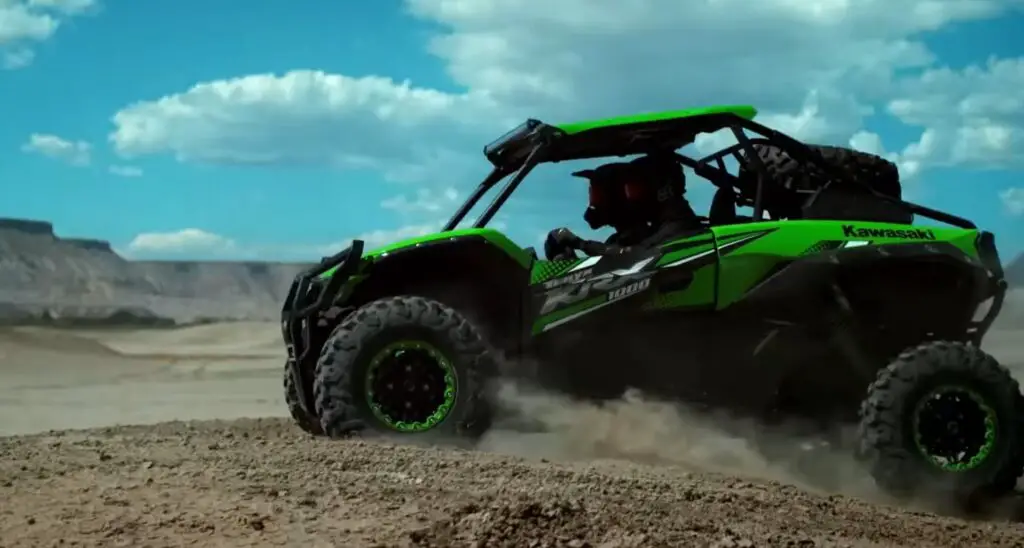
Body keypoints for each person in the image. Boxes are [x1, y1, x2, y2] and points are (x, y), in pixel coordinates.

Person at [544, 153, 703, 260]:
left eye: (636, 190)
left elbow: (634, 257)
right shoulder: (659, 228)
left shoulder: (679, 227)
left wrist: (580, 244)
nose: (632, 198)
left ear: (663, 191)